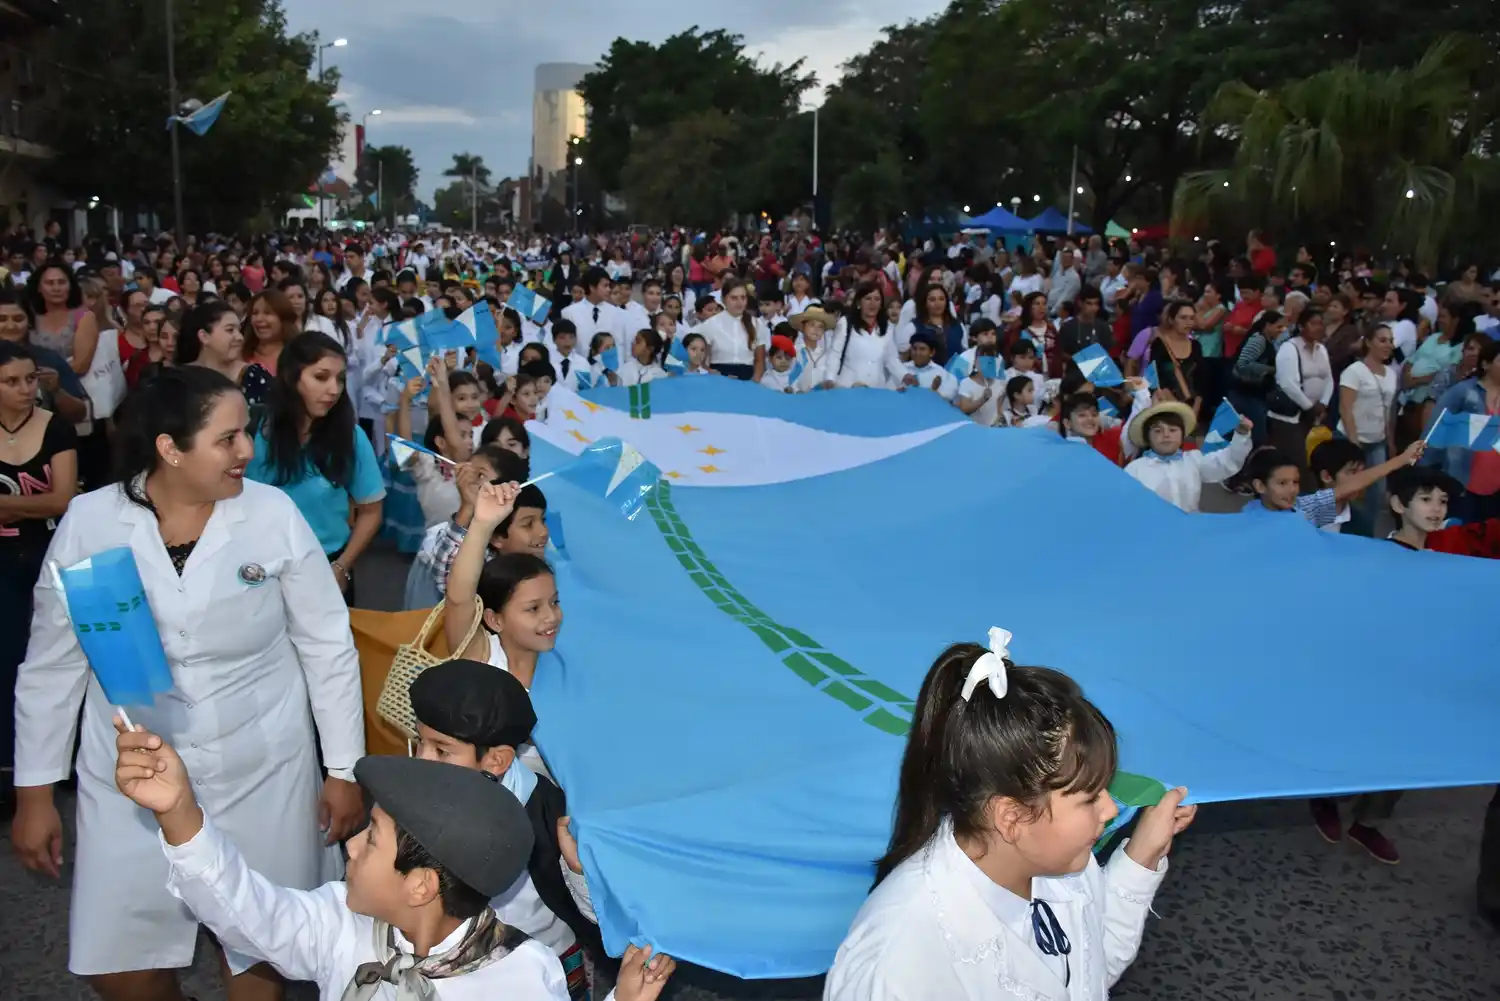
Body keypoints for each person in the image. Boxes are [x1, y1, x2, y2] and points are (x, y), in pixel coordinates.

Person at [11, 366, 366, 1001]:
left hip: (263, 768)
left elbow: (327, 646)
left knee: (261, 951)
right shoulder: (93, 522)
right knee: (117, 959)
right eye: (228, 439)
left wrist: (343, 770)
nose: (247, 452)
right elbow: (53, 664)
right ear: (170, 449)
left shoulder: (270, 515)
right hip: (132, 773)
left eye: (247, 434)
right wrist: (34, 792)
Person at [112, 728, 677, 1001]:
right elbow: (249, 915)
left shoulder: (518, 975)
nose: (351, 848)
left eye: (372, 840)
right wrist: (181, 813)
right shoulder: (342, 920)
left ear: (422, 886)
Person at [824, 628, 1196, 1000]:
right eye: (1089, 797)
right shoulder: (899, 963)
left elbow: (1084, 973)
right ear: (1011, 817)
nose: (1111, 808)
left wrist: (1140, 859)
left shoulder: (1056, 864)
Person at [409, 660, 608, 999]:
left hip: (537, 967)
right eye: (420, 742)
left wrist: (577, 872)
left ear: (497, 761)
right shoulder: (409, 798)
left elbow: (598, 911)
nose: (423, 760)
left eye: (441, 750)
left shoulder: (545, 809)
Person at [244, 331, 385, 604]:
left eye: (340, 379)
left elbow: (371, 511)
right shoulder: (250, 433)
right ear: (290, 376)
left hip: (327, 568)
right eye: (321, 377)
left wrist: (342, 566)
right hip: (260, 570)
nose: (334, 389)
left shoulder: (351, 437)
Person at [0, 341, 78, 820]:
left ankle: (55, 765)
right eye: (11, 381)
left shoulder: (57, 428)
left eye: (30, 379)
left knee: (51, 662)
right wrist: (31, 504)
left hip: (46, 559)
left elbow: (60, 500)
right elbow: (45, 497)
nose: (25, 389)